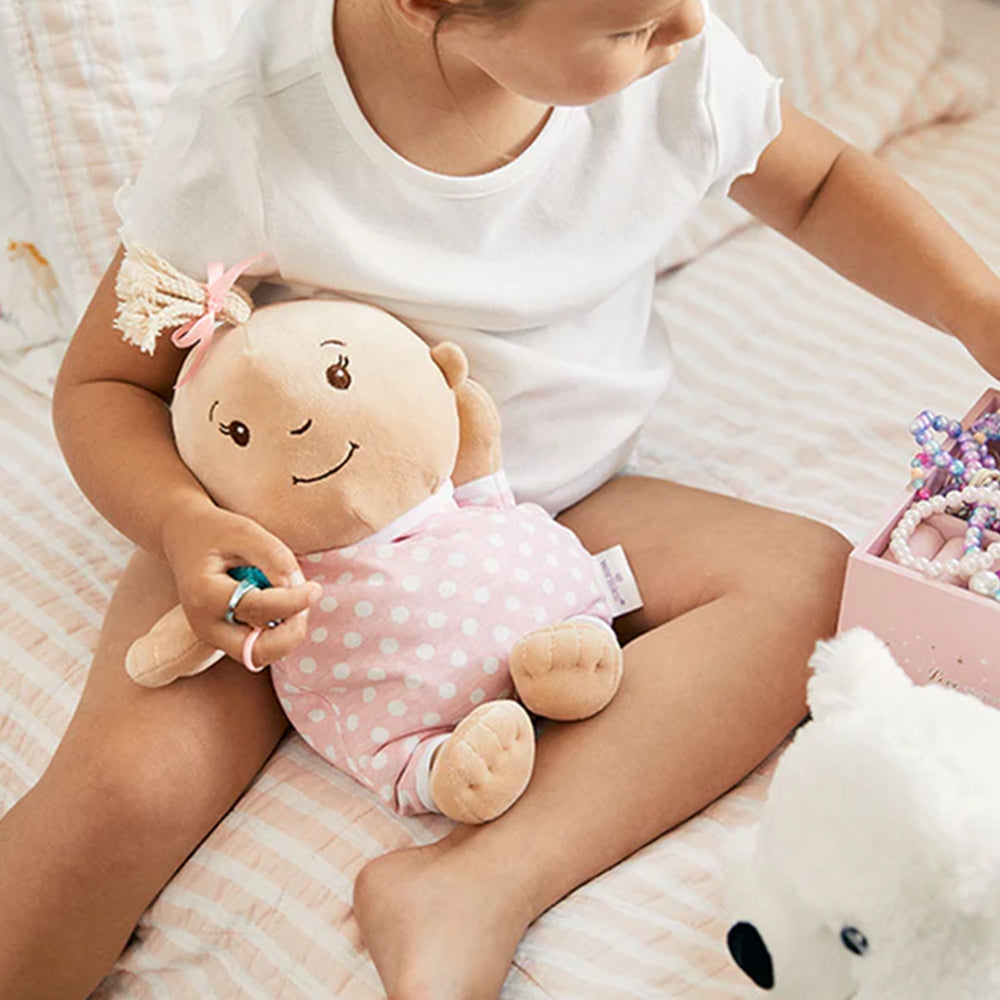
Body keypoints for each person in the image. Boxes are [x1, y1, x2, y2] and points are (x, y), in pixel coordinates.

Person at [2, 0, 999, 996]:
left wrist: (974, 307)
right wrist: (184, 522)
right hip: (283, 543)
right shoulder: (255, 128)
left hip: (543, 512)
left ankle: (475, 882)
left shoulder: (675, 65)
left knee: (802, 580)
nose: (690, 27)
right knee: (125, 793)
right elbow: (106, 383)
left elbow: (818, 184)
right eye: (627, 27)